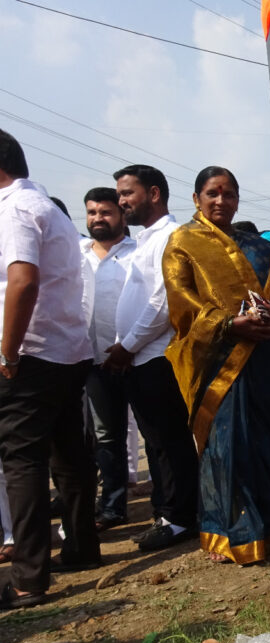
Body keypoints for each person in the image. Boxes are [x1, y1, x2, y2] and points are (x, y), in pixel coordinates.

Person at [163, 166, 270, 565]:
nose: (221, 201)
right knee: (226, 446)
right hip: (216, 361)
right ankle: (230, 533)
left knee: (263, 437)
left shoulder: (259, 245)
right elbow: (182, 302)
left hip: (261, 357)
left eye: (229, 194)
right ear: (196, 199)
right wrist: (228, 325)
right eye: (213, 193)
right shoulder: (183, 242)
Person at [0, 129, 98, 609]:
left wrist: (7, 353)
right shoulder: (47, 207)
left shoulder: (14, 209)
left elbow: (22, 281)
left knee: (23, 462)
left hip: (31, 354)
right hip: (64, 351)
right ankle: (80, 546)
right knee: (68, 455)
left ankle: (28, 579)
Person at [112, 164, 200, 551]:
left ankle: (181, 518)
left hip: (157, 355)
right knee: (156, 441)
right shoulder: (144, 240)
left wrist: (127, 345)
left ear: (153, 194)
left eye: (127, 193)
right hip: (138, 356)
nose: (121, 201)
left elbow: (164, 302)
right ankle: (167, 512)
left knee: (170, 440)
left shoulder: (170, 237)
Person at [80, 187, 137, 531]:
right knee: (106, 437)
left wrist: (127, 346)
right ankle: (113, 507)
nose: (98, 218)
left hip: (137, 358)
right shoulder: (77, 255)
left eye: (105, 212)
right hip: (94, 363)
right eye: (92, 212)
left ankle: (171, 506)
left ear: (121, 215)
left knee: (153, 435)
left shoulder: (138, 252)